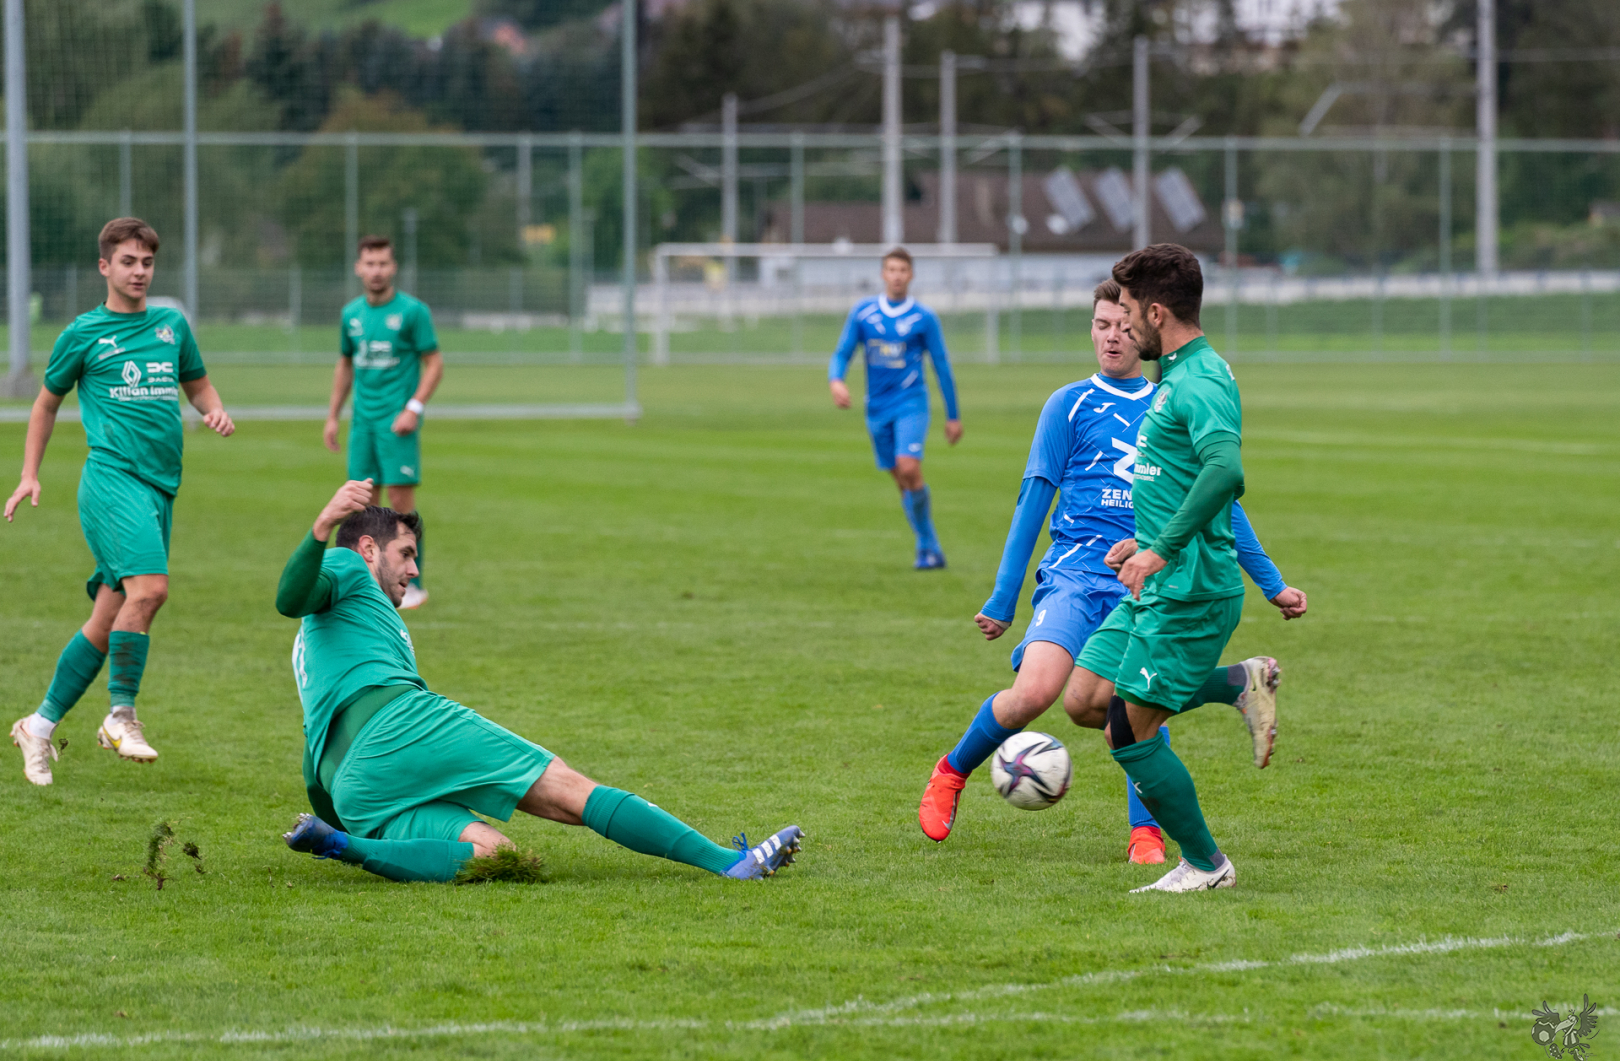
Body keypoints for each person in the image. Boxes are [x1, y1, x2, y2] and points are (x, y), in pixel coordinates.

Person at [916, 280, 1306, 858]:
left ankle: (1146, 831)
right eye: (1102, 325)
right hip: (1074, 576)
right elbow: (1033, 500)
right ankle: (951, 772)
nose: (1113, 337)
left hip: (1142, 579)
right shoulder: (1068, 404)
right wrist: (1003, 596)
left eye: (1124, 325)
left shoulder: (1169, 400)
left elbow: (1220, 498)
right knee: (1035, 694)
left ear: (1146, 327)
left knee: (1130, 702)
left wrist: (1271, 583)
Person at [277, 480, 804, 883]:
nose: (414, 570)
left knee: (498, 857)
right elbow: (288, 598)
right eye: (407, 554)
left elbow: (315, 753)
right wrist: (323, 526)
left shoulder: (318, 642)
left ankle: (342, 846)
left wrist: (342, 817)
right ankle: (727, 862)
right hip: (400, 726)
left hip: (350, 786)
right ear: (369, 549)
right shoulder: (347, 565)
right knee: (568, 789)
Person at [6, 217, 234, 786]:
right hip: (111, 481)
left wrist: (212, 408)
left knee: (108, 620)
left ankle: (38, 725)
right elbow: (45, 404)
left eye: (147, 262)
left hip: (160, 488)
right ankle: (120, 715)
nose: (139, 272)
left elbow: (197, 383)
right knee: (151, 591)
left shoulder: (171, 326)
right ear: (104, 266)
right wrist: (29, 474)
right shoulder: (83, 333)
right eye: (128, 262)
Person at [1085, 243, 1262, 893]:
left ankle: (1206, 865)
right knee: (1086, 699)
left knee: (1126, 733)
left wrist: (1160, 548)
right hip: (1155, 581)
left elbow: (1225, 470)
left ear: (1157, 313)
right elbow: (1180, 476)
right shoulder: (1177, 375)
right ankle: (1238, 683)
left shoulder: (1201, 380)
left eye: (1130, 311)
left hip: (1188, 589)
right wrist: (1142, 543)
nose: (1125, 325)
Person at [325, 236, 442, 610]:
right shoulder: (351, 314)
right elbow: (345, 365)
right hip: (363, 424)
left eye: (383, 264)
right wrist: (333, 415)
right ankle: (372, 584)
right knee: (363, 507)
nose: (376, 271)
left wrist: (414, 408)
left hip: (397, 425)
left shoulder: (412, 311)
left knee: (401, 506)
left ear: (393, 268)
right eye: (370, 264)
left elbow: (435, 363)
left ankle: (413, 583)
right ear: (358, 268)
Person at [828, 247, 961, 569]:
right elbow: (842, 353)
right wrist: (836, 380)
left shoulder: (924, 318)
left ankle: (927, 546)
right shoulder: (863, 313)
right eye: (891, 270)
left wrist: (953, 415)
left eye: (902, 270)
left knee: (909, 467)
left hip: (911, 402)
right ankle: (929, 547)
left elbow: (941, 366)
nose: (897, 276)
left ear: (911, 275)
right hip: (876, 407)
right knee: (901, 479)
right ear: (883, 274)